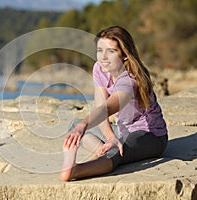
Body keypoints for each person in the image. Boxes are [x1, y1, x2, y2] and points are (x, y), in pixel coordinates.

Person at [60, 26, 168, 181]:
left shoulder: (130, 80)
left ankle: (75, 171)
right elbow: (100, 104)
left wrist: (83, 125)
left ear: (124, 54)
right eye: (99, 50)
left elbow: (108, 107)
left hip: (150, 136)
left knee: (117, 150)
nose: (103, 57)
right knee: (73, 128)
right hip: (122, 130)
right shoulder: (99, 68)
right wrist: (110, 136)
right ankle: (103, 151)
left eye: (110, 51)